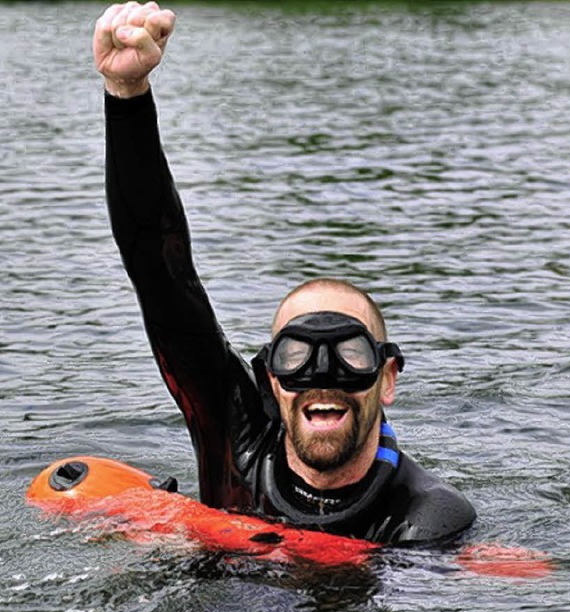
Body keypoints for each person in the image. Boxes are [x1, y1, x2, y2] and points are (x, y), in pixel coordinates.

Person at [93, 2, 476, 544]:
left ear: (387, 378)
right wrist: (127, 96)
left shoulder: (428, 515)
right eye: (298, 355)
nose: (323, 376)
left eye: (351, 354)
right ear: (270, 377)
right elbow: (159, 269)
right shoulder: (237, 436)